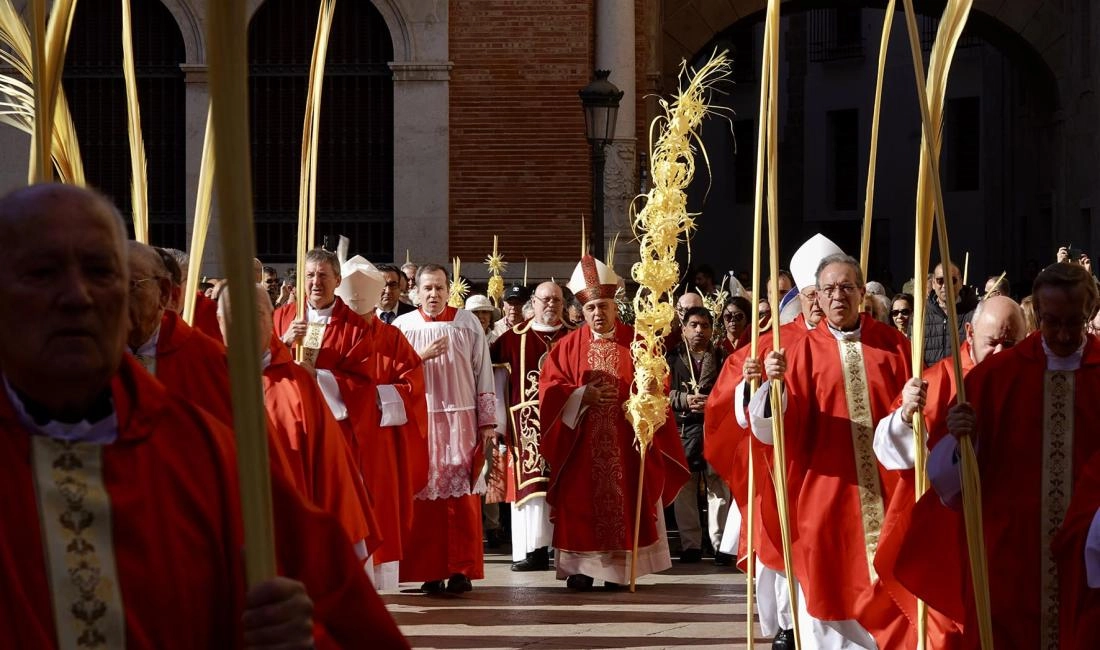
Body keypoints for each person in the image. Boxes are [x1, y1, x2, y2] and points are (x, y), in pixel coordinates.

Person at [0, 183, 407, 649]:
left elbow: (329, 602)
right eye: (40, 273)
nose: (77, 296)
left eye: (100, 271)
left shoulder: (202, 449)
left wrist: (298, 634)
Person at [896, 262, 1100, 648]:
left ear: (1089, 315)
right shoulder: (995, 376)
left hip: (1088, 556)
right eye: (1051, 320)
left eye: (1073, 322)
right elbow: (947, 482)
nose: (1061, 333)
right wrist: (962, 440)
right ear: (1036, 314)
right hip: (1008, 554)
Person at [746, 253, 911, 648]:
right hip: (822, 495)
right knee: (826, 593)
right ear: (816, 297)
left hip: (886, 494)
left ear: (861, 292)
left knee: (891, 587)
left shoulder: (894, 345)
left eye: (847, 287)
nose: (839, 296)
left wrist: (912, 408)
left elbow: (913, 417)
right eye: (829, 289)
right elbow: (773, 431)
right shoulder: (798, 351)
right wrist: (772, 389)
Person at [869, 296, 1026, 647]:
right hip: (947, 535)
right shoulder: (940, 379)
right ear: (969, 333)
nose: (1001, 353)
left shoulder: (1031, 381)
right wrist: (907, 415)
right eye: (993, 342)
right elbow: (891, 450)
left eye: (1011, 343)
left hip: (1011, 535)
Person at [708, 233, 840, 646]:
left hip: (836, 466)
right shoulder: (772, 344)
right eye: (812, 293)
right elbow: (730, 405)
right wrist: (752, 385)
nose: (819, 301)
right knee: (785, 546)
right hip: (781, 467)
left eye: (829, 291)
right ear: (801, 295)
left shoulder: (856, 342)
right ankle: (788, 623)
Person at [275, 252, 429, 590]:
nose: (316, 283)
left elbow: (363, 386)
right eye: (310, 276)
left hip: (342, 433)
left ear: (336, 281)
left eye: (323, 276)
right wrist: (283, 345)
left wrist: (318, 377)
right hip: (291, 432)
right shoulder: (283, 317)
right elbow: (261, 366)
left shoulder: (360, 329)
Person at [539, 253, 689, 590]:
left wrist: (646, 396)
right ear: (581, 310)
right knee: (580, 505)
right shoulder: (565, 347)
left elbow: (659, 384)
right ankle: (580, 568)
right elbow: (550, 390)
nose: (597, 313)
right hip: (580, 446)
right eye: (590, 308)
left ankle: (622, 570)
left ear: (613, 304)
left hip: (626, 443)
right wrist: (580, 397)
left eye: (602, 306)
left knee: (626, 503)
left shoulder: (639, 343)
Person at [218, 284, 376, 561]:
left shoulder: (298, 384)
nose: (244, 322)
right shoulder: (205, 378)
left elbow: (331, 473)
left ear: (271, 318)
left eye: (255, 313)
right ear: (219, 321)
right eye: (233, 314)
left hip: (289, 538)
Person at [393, 263, 497, 594]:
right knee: (425, 496)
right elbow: (391, 373)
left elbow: (484, 372)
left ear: (448, 289)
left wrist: (488, 422)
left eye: (439, 288)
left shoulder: (466, 322)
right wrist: (418, 357)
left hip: (461, 420)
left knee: (462, 497)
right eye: (427, 288)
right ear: (416, 292)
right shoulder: (403, 326)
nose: (434, 294)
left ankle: (461, 570)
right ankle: (429, 571)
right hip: (421, 422)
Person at [490, 281, 571, 571]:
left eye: (557, 301)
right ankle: (533, 549)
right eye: (545, 300)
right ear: (533, 303)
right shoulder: (513, 339)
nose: (551, 305)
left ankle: (564, 549)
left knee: (565, 487)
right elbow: (496, 382)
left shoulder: (574, 337)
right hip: (527, 428)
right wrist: (497, 424)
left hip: (567, 424)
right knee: (531, 489)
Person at [668, 306, 730, 564]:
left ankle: (721, 545)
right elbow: (659, 392)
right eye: (693, 325)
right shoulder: (671, 358)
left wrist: (712, 401)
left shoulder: (722, 356)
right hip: (684, 429)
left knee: (719, 488)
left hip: (714, 430)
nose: (699, 331)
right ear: (683, 328)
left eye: (704, 326)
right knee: (685, 486)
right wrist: (683, 399)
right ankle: (691, 545)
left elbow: (733, 390)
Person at [922, 262, 973, 367]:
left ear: (960, 282)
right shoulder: (920, 315)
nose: (945, 285)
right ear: (933, 284)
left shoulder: (975, 313)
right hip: (930, 380)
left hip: (963, 380)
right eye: (940, 281)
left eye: (951, 280)